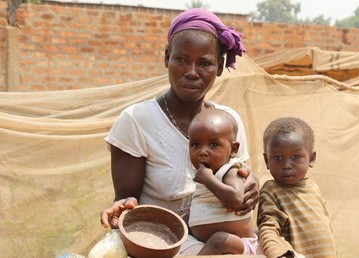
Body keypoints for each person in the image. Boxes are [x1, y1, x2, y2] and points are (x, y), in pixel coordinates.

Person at [99, 8, 259, 255]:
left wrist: (250, 184)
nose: (192, 72)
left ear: (219, 66)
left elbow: (238, 176)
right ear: (166, 58)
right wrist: (122, 206)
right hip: (162, 241)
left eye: (204, 63)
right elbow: (127, 200)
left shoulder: (228, 122)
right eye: (181, 60)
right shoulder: (138, 121)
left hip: (224, 238)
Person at [257, 117, 337, 258]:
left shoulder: (313, 187)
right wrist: (281, 254)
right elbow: (268, 228)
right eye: (277, 158)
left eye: (295, 157)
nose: (287, 164)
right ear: (266, 160)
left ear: (311, 158)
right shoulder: (271, 191)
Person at [188, 108, 258, 255]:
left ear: (233, 149)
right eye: (195, 145)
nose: (202, 151)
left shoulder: (231, 170)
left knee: (219, 240)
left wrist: (208, 179)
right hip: (204, 242)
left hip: (237, 244)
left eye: (214, 145)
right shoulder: (209, 174)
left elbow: (236, 199)